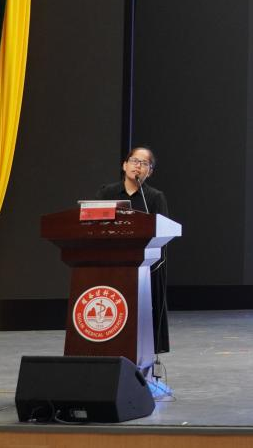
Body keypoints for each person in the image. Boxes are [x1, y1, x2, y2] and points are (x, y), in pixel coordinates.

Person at [97, 146, 170, 355]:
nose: (137, 166)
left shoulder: (154, 198)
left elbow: (162, 232)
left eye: (144, 163)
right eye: (134, 161)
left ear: (150, 171)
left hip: (144, 266)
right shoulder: (107, 192)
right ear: (124, 165)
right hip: (111, 263)